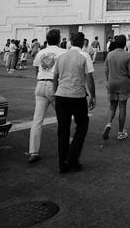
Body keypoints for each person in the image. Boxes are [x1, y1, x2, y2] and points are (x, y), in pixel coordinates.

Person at [53, 32, 96, 173]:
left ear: (70, 41)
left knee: (63, 130)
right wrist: (93, 96)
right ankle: (73, 156)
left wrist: (55, 93)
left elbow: (55, 77)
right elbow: (89, 78)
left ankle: (62, 163)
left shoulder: (61, 56)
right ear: (83, 42)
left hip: (61, 95)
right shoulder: (84, 56)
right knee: (82, 125)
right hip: (77, 96)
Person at [27, 28, 66, 164]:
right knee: (62, 118)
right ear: (59, 39)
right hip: (54, 86)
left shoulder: (41, 52)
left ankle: (33, 151)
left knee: (37, 120)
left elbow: (37, 70)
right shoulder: (62, 52)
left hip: (40, 84)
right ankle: (67, 143)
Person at [103, 34, 130, 141]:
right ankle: (120, 132)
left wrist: (107, 81)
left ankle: (108, 124)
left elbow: (106, 69)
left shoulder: (110, 55)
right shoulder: (128, 55)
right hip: (123, 83)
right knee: (122, 107)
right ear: (125, 43)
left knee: (112, 106)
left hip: (112, 82)